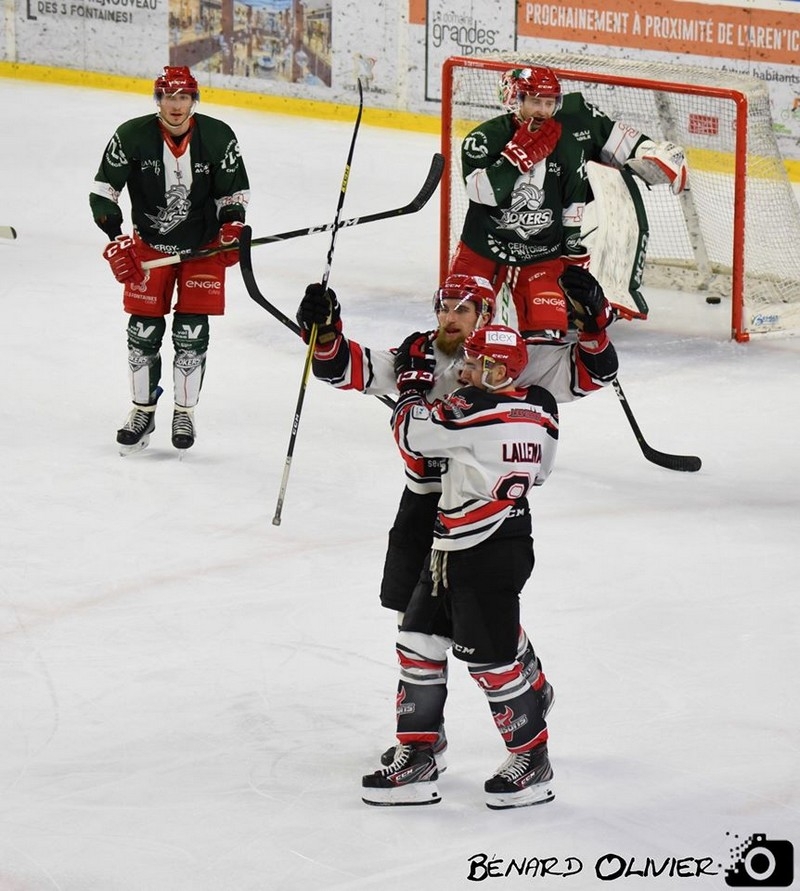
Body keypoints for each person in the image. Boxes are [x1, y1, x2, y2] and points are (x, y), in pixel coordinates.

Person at [296, 265, 616, 769]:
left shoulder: (514, 359)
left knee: (481, 619)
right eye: (443, 307)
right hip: (424, 501)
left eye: (461, 310)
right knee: (414, 620)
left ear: (485, 313)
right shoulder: (418, 352)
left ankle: (528, 685)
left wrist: (595, 326)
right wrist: (327, 333)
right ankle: (427, 738)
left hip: (479, 509)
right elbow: (348, 369)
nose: (448, 318)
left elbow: (590, 373)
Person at [361, 324, 559, 809]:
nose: (462, 370)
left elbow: (410, 432)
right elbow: (545, 468)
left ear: (495, 371)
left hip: (483, 553)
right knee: (418, 641)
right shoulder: (541, 409)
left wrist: (410, 383)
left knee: (490, 661)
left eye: (473, 363)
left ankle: (533, 762)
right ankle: (420, 752)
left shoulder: (471, 409)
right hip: (475, 543)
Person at [452, 65, 687, 338]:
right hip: (483, 248)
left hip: (539, 256)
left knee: (549, 339)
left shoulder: (572, 127)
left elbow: (616, 144)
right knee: (458, 329)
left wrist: (652, 152)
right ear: (514, 100)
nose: (542, 110)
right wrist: (515, 159)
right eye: (535, 101)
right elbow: (482, 194)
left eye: (549, 103)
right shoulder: (483, 139)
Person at [90, 65, 250, 454]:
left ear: (194, 100)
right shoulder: (132, 135)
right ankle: (142, 411)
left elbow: (233, 194)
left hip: (203, 248)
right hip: (149, 246)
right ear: (157, 99)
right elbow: (103, 190)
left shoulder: (218, 136)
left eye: (183, 97)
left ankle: (185, 412)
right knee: (142, 334)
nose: (175, 105)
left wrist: (231, 229)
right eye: (167, 96)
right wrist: (116, 239)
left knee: (191, 335)